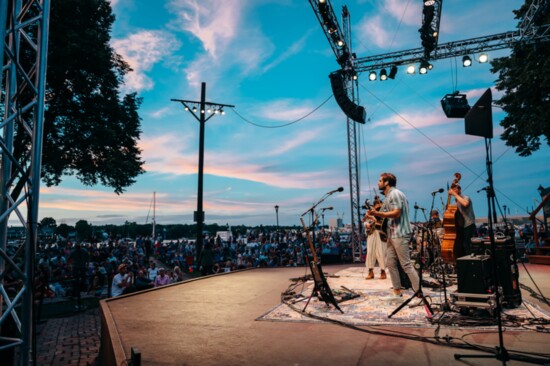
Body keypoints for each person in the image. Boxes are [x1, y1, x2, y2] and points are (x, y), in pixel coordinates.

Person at [368, 172, 420, 302]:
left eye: (380, 181)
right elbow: (383, 216)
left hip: (400, 233)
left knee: (406, 264)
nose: (378, 183)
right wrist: (373, 215)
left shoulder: (395, 194)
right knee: (390, 263)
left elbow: (396, 213)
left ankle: (419, 295)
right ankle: (397, 293)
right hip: (392, 234)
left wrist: (378, 212)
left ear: (386, 183)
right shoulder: (388, 196)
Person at [448, 184, 476, 255]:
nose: (454, 190)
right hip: (460, 227)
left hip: (469, 224)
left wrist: (454, 194)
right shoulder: (454, 203)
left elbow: (465, 204)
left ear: (460, 190)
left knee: (467, 245)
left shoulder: (466, 197)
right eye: (452, 189)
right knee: (462, 247)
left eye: (455, 189)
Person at [362, 209, 387, 280]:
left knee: (380, 253)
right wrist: (366, 223)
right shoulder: (369, 212)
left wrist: (373, 219)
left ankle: (383, 271)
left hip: (380, 234)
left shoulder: (382, 211)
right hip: (371, 235)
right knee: (370, 253)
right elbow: (365, 222)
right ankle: (370, 272)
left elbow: (382, 223)